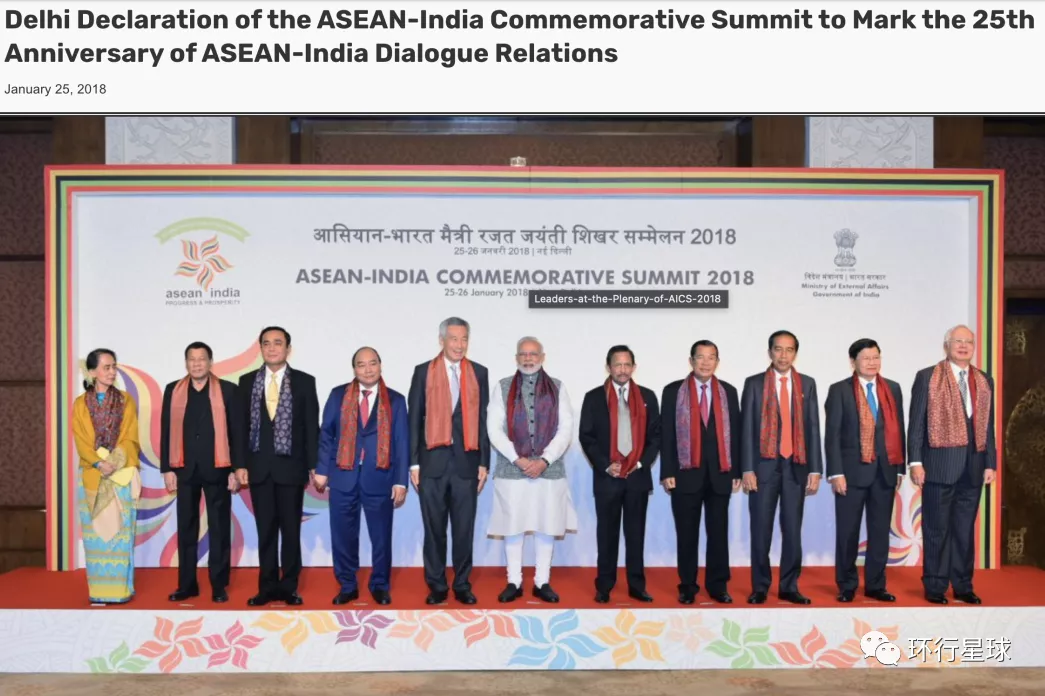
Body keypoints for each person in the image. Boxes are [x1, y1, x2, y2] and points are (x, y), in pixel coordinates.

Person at [908, 324, 997, 605]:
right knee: (936, 530)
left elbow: (988, 426)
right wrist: (915, 461)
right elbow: (916, 424)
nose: (963, 346)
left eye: (968, 342)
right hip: (939, 466)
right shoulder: (927, 377)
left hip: (974, 466)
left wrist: (990, 462)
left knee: (964, 531)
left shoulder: (984, 380)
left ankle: (963, 586)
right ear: (946, 345)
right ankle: (935, 586)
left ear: (974, 347)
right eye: (957, 341)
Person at [315, 347, 409, 605]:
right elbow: (326, 434)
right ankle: (347, 585)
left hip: (380, 477)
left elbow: (402, 442)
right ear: (354, 369)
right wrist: (322, 470)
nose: (368, 369)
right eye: (361, 364)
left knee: (381, 536)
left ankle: (380, 585)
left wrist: (401, 481)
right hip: (342, 477)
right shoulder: (338, 395)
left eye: (372, 363)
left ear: (380, 365)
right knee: (342, 535)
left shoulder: (396, 400)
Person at [487, 336, 577, 604]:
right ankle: (513, 581)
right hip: (511, 469)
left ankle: (542, 581)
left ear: (542, 357)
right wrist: (518, 459)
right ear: (516, 358)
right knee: (512, 526)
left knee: (546, 525)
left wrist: (545, 460)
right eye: (523, 354)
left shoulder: (557, 387)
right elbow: (494, 428)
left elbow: (565, 428)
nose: (528, 359)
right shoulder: (502, 387)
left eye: (533, 354)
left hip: (549, 470)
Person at [408, 317, 491, 605]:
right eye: (454, 338)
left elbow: (483, 421)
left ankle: (462, 584)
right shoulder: (423, 372)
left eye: (464, 338)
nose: (459, 344)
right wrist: (414, 464)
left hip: (467, 464)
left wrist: (484, 462)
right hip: (431, 464)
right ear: (442, 340)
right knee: (434, 530)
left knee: (464, 530)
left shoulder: (479, 373)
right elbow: (414, 419)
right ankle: (437, 585)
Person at [238, 326, 320, 606]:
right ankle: (267, 587)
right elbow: (240, 427)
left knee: (291, 531)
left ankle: (289, 587)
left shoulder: (304, 382)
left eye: (277, 343)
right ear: (260, 348)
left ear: (288, 348)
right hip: (259, 468)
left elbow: (311, 427)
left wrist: (314, 465)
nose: (272, 348)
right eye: (266, 343)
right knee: (266, 531)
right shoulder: (247, 381)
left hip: (291, 468)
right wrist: (240, 464)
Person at [741, 330, 823, 605]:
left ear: (795, 353)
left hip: (795, 467)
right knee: (760, 531)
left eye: (789, 350)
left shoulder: (807, 384)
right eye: (778, 349)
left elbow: (813, 427)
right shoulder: (754, 384)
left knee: (793, 530)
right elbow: (747, 428)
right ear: (770, 352)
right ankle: (760, 587)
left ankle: (789, 586)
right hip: (762, 469)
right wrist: (747, 469)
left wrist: (815, 469)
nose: (783, 355)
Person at [160, 341, 243, 604]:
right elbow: (166, 430)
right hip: (184, 470)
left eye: (202, 359)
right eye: (192, 359)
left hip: (218, 469)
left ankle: (218, 584)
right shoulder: (173, 390)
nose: (197, 364)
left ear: (210, 362)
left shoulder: (228, 390)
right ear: (186, 363)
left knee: (219, 528)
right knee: (186, 528)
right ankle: (187, 585)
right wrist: (167, 468)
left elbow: (237, 433)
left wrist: (235, 469)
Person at [660, 340, 742, 605]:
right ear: (691, 361)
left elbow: (736, 433)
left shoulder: (728, 391)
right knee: (687, 534)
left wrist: (737, 470)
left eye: (711, 357)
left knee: (718, 534)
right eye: (700, 357)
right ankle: (687, 586)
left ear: (717, 361)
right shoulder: (673, 391)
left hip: (720, 474)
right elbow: (666, 434)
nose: (706, 362)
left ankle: (718, 586)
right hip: (684, 474)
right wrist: (667, 471)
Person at [825, 338, 906, 603]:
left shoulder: (892, 388)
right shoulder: (839, 390)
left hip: (885, 472)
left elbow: (899, 429)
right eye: (866, 358)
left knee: (880, 532)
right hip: (851, 474)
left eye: (876, 357)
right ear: (853, 362)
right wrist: (836, 473)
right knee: (847, 532)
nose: (872, 363)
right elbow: (832, 435)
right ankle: (847, 584)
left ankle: (875, 585)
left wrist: (899, 468)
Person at [579, 345, 661, 604]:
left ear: (634, 367)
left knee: (636, 535)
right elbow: (587, 437)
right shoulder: (594, 398)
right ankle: (604, 586)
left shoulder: (648, 396)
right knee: (607, 535)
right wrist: (606, 464)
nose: (623, 370)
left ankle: (637, 586)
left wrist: (641, 463)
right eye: (618, 365)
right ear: (608, 367)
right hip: (607, 478)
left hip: (637, 477)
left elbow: (655, 436)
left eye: (627, 365)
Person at [72, 348, 142, 604]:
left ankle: (120, 591)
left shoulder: (125, 400)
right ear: (92, 372)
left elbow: (130, 437)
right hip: (92, 476)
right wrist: (98, 462)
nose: (112, 372)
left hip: (119, 475)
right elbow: (80, 441)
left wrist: (112, 462)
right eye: (106, 367)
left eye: (114, 367)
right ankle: (99, 591)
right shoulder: (80, 404)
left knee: (120, 536)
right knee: (96, 539)